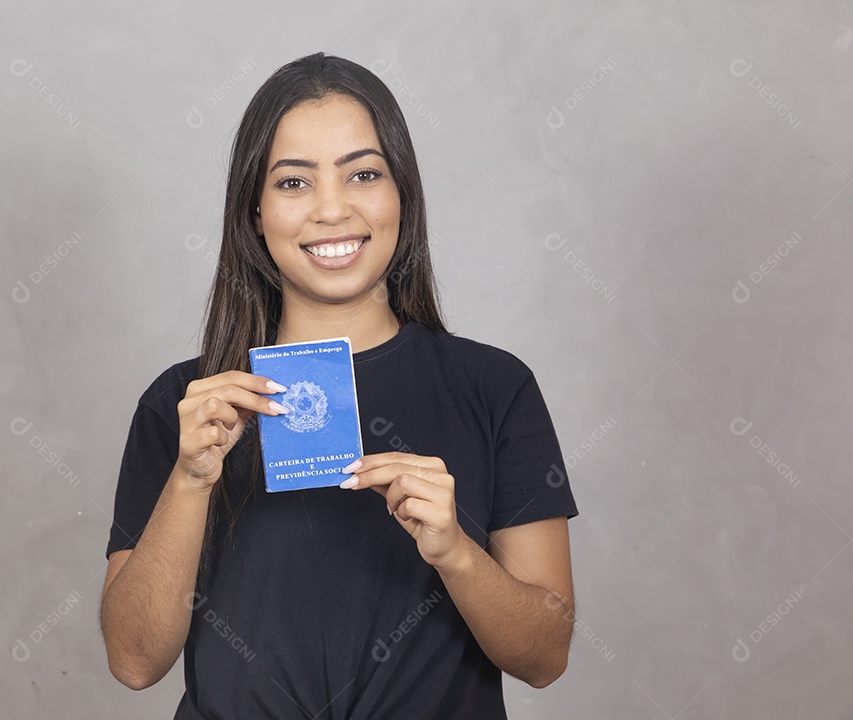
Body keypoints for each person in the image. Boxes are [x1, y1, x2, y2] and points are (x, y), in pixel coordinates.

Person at [99, 51, 579, 720]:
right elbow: (133, 661)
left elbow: (545, 657)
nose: (332, 209)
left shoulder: (495, 387)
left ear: (401, 195)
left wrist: (456, 555)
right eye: (294, 183)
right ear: (255, 212)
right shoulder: (183, 406)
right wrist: (189, 479)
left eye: (363, 174)